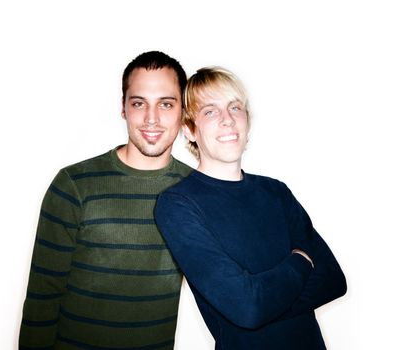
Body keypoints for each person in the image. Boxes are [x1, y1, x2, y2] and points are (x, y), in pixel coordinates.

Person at [155, 67, 346, 349]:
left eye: (235, 107)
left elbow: (332, 280)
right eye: (210, 111)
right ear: (189, 130)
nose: (227, 120)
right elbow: (246, 307)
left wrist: (260, 305)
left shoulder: (276, 192)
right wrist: (301, 262)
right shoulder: (178, 205)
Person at [19, 51, 193, 349]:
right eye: (139, 103)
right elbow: (42, 299)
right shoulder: (74, 186)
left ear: (183, 111)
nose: (152, 118)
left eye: (166, 104)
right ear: (124, 108)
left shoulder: (197, 193)